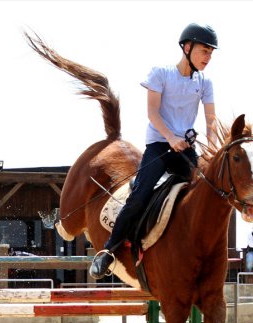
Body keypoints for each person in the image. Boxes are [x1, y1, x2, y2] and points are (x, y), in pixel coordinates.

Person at [90, 23, 218, 279]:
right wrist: (170, 137)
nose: (208, 58)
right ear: (187, 47)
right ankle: (109, 251)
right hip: (160, 146)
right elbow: (152, 112)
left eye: (211, 53)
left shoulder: (205, 82)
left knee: (206, 191)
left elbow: (211, 120)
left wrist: (212, 149)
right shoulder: (161, 74)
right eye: (205, 51)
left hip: (186, 150)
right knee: (139, 195)